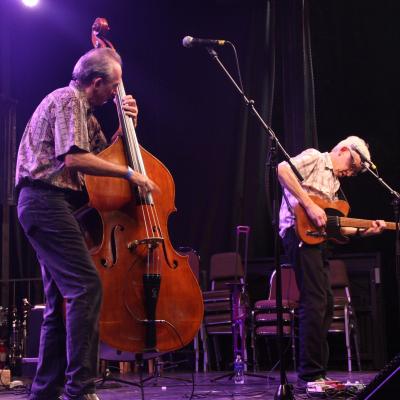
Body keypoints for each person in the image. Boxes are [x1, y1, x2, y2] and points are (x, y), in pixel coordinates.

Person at [16, 47, 158, 400]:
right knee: (86, 288)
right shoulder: (68, 100)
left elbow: (103, 156)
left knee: (59, 303)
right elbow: (77, 159)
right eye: (114, 88)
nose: (116, 94)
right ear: (96, 82)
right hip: (45, 201)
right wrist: (131, 174)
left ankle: (45, 392)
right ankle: (79, 389)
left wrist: (129, 125)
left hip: (48, 205)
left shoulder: (85, 113)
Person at [277, 136, 385, 389]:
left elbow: (334, 228)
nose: (353, 172)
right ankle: (310, 375)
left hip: (319, 241)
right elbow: (282, 169)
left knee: (324, 303)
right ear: (345, 149)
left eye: (357, 171)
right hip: (298, 233)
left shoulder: (335, 185)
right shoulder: (316, 157)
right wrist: (308, 204)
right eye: (355, 164)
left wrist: (364, 232)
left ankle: (317, 373)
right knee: (315, 302)